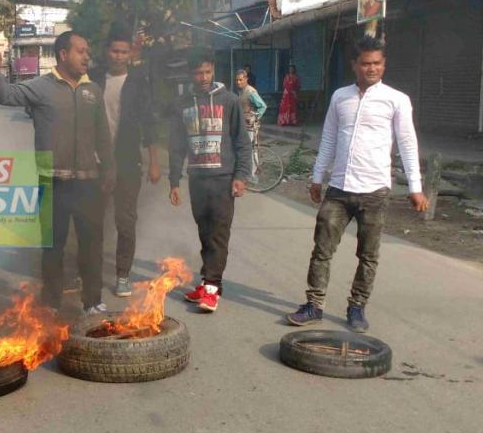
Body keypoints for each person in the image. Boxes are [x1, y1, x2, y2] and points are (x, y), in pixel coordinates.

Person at [286, 36, 429, 332]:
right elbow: (328, 138)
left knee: (368, 255)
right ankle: (314, 305)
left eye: (377, 63)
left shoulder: (396, 99)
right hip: (339, 189)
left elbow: (407, 143)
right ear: (354, 65)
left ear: (384, 63)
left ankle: (357, 307)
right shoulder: (340, 97)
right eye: (365, 63)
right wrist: (317, 176)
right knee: (322, 249)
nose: (371, 69)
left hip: (375, 192)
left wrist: (415, 187)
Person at [0, 31, 115, 315]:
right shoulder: (41, 87)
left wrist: (108, 170)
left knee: (91, 244)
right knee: (53, 247)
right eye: (81, 51)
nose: (86, 57)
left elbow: (103, 135)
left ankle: (93, 299)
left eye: (88, 51)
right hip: (52, 181)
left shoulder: (93, 90)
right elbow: (5, 95)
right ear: (63, 54)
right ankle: (52, 302)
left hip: (88, 182)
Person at [169, 50, 252, 313]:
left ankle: (213, 288)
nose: (202, 77)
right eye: (197, 72)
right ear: (190, 74)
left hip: (222, 180)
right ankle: (207, 283)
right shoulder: (183, 103)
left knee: (218, 235)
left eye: (206, 71)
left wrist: (240, 176)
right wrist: (174, 181)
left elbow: (242, 142)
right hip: (197, 179)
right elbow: (177, 146)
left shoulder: (229, 101)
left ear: (213, 70)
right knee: (205, 233)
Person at [90, 26, 160, 297]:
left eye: (123, 52)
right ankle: (90, 271)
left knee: (125, 220)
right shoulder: (94, 78)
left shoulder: (138, 83)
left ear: (130, 54)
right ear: (107, 52)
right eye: (114, 51)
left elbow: (150, 123)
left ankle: (122, 275)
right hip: (96, 162)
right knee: (92, 220)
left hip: (128, 162)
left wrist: (154, 161)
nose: (118, 56)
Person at [235, 69, 267, 145]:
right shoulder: (239, 91)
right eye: (236, 80)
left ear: (246, 79)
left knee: (248, 147)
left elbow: (263, 106)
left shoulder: (250, 92)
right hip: (242, 123)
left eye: (240, 80)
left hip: (249, 126)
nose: (238, 82)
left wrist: (254, 117)